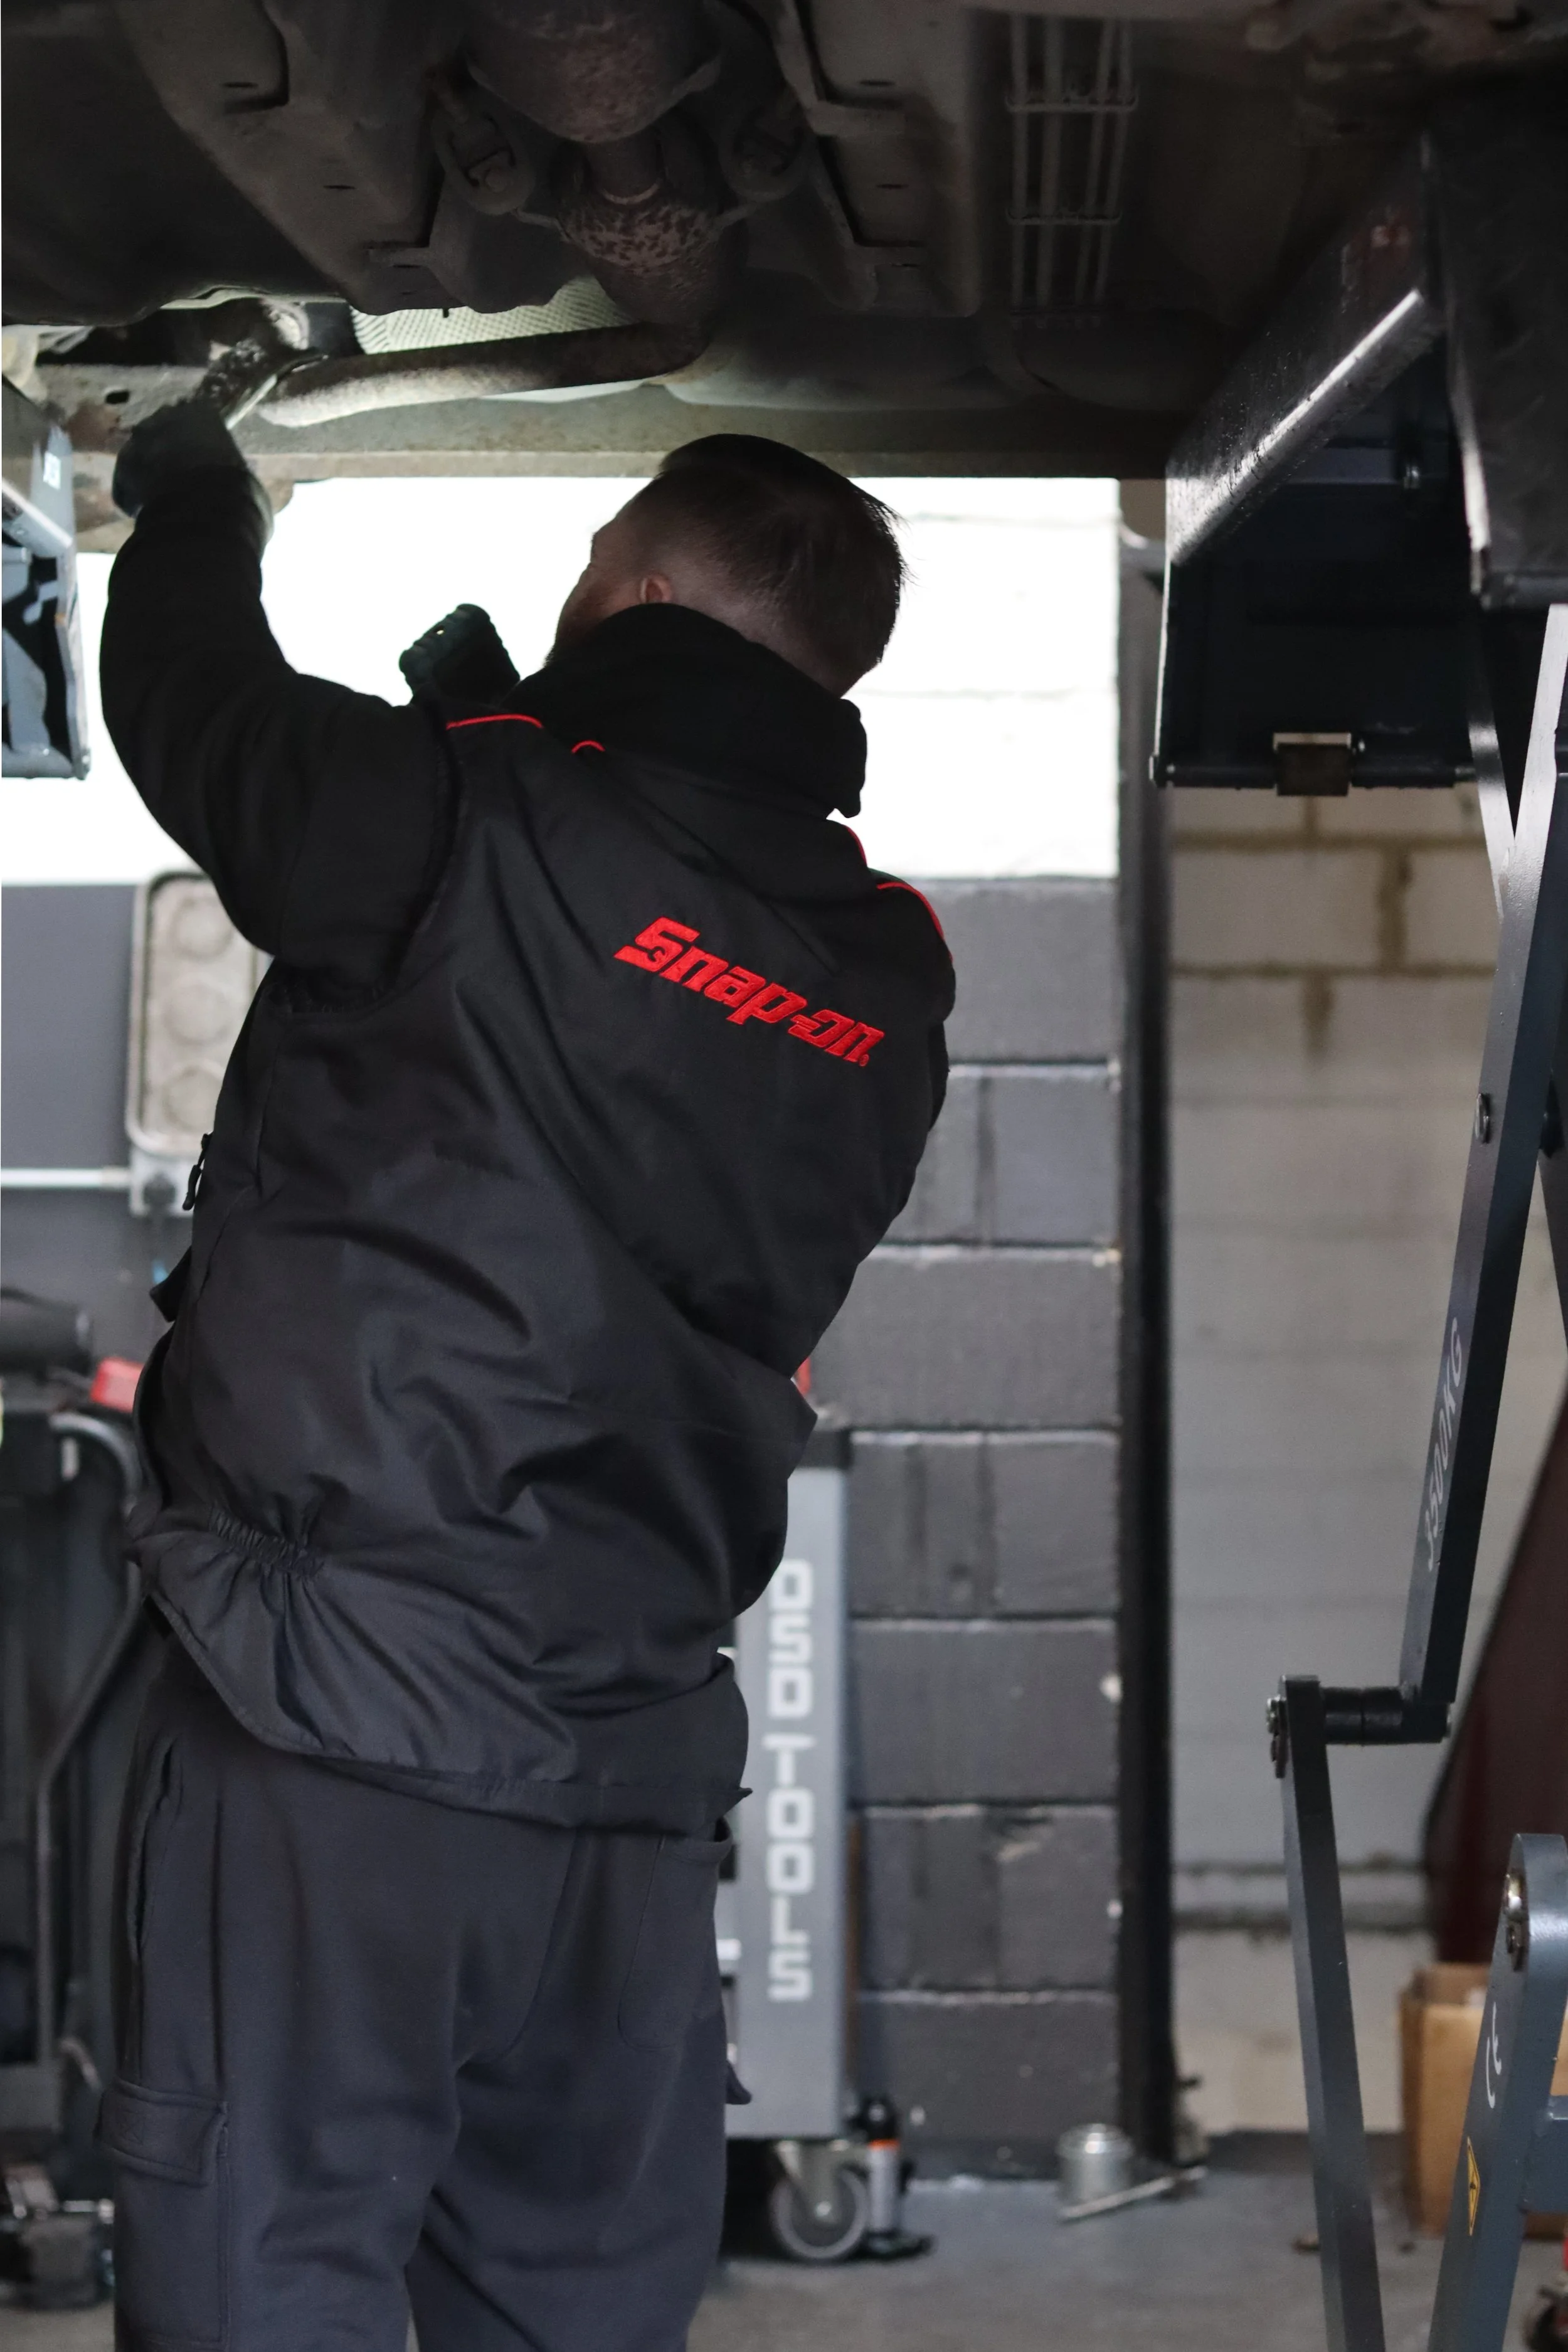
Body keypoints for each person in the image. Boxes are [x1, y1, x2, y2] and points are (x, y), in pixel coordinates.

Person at [97, 413, 952, 2350]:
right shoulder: (882, 977)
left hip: (337, 1731)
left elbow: (190, 699)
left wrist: (194, 485)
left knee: (264, 2276)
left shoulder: (459, 811)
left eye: (591, 568)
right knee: (569, 2306)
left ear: (637, 595)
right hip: (626, 1777)